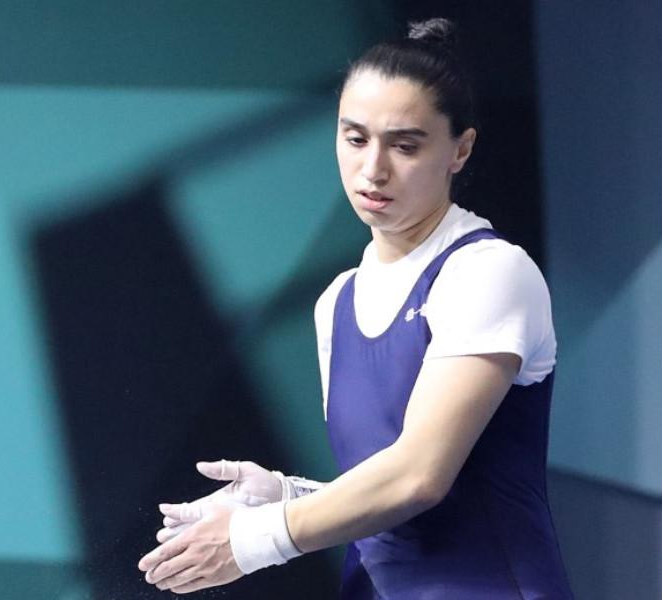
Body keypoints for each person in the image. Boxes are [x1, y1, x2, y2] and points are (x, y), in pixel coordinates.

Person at [137, 18, 574, 598]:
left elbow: (419, 477)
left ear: (460, 149)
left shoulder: (488, 271)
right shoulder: (336, 300)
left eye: (405, 145)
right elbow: (396, 512)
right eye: (356, 138)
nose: (373, 170)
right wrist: (285, 496)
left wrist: (253, 540)